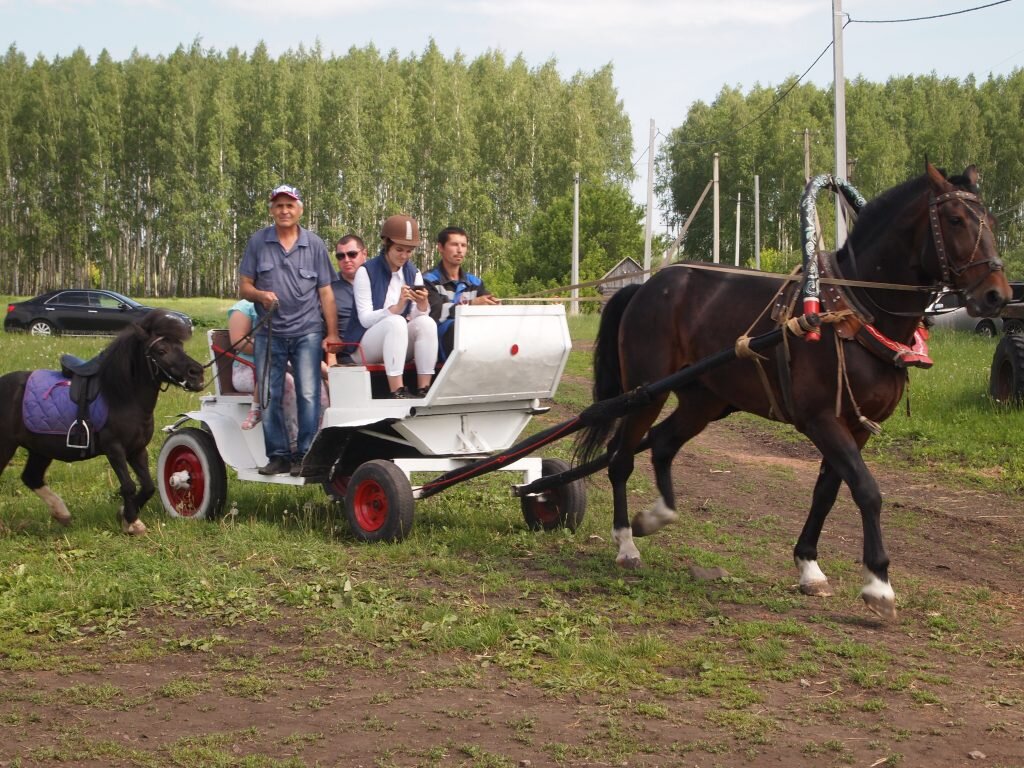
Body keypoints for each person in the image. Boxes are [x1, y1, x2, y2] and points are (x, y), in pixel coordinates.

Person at [239, 184, 339, 476]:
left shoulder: (315, 244)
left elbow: (326, 294)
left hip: (307, 330)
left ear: (300, 209)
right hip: (269, 332)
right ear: (271, 210)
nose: (284, 210)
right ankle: (279, 455)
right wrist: (260, 295)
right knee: (270, 393)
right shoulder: (258, 242)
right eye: (278, 205)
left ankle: (305, 455)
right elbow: (244, 287)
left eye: (289, 205)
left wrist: (331, 334)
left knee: (309, 393)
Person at [346, 214, 437, 399]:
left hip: (396, 342)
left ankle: (424, 389)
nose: (404, 256)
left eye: (409, 251)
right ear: (386, 243)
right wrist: (396, 308)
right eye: (399, 249)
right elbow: (364, 319)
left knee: (427, 323)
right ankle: (397, 390)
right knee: (396, 322)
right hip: (364, 344)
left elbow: (417, 317)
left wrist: (422, 304)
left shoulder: (414, 273)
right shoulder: (366, 271)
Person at [227, 299, 298, 449]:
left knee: (313, 382)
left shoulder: (287, 305)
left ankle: (315, 438)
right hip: (247, 369)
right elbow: (238, 341)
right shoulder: (244, 308)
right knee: (285, 382)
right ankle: (293, 443)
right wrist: (277, 350)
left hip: (283, 365)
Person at [424, 226, 500, 360]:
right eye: (454, 244)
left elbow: (486, 303)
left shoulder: (475, 282)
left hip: (473, 340)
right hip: (440, 342)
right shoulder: (428, 280)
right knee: (457, 327)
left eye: (463, 245)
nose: (460, 250)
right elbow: (436, 312)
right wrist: (470, 305)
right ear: (440, 248)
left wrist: (495, 304)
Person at [324, 233, 367, 373]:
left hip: (378, 346)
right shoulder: (328, 288)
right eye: (340, 256)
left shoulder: (379, 282)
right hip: (345, 354)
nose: (346, 260)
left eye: (352, 254)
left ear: (364, 254)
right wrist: (331, 355)